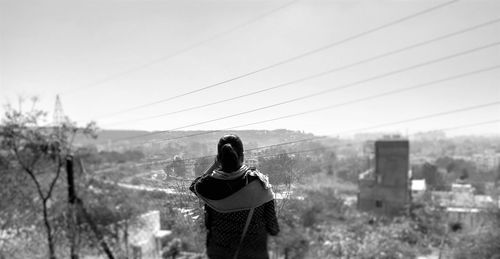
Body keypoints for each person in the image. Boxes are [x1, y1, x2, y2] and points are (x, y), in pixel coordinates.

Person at [190, 134, 279, 259]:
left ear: (219, 159)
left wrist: (214, 165)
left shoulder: (209, 186)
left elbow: (194, 186)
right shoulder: (259, 183)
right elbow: (273, 228)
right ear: (242, 157)